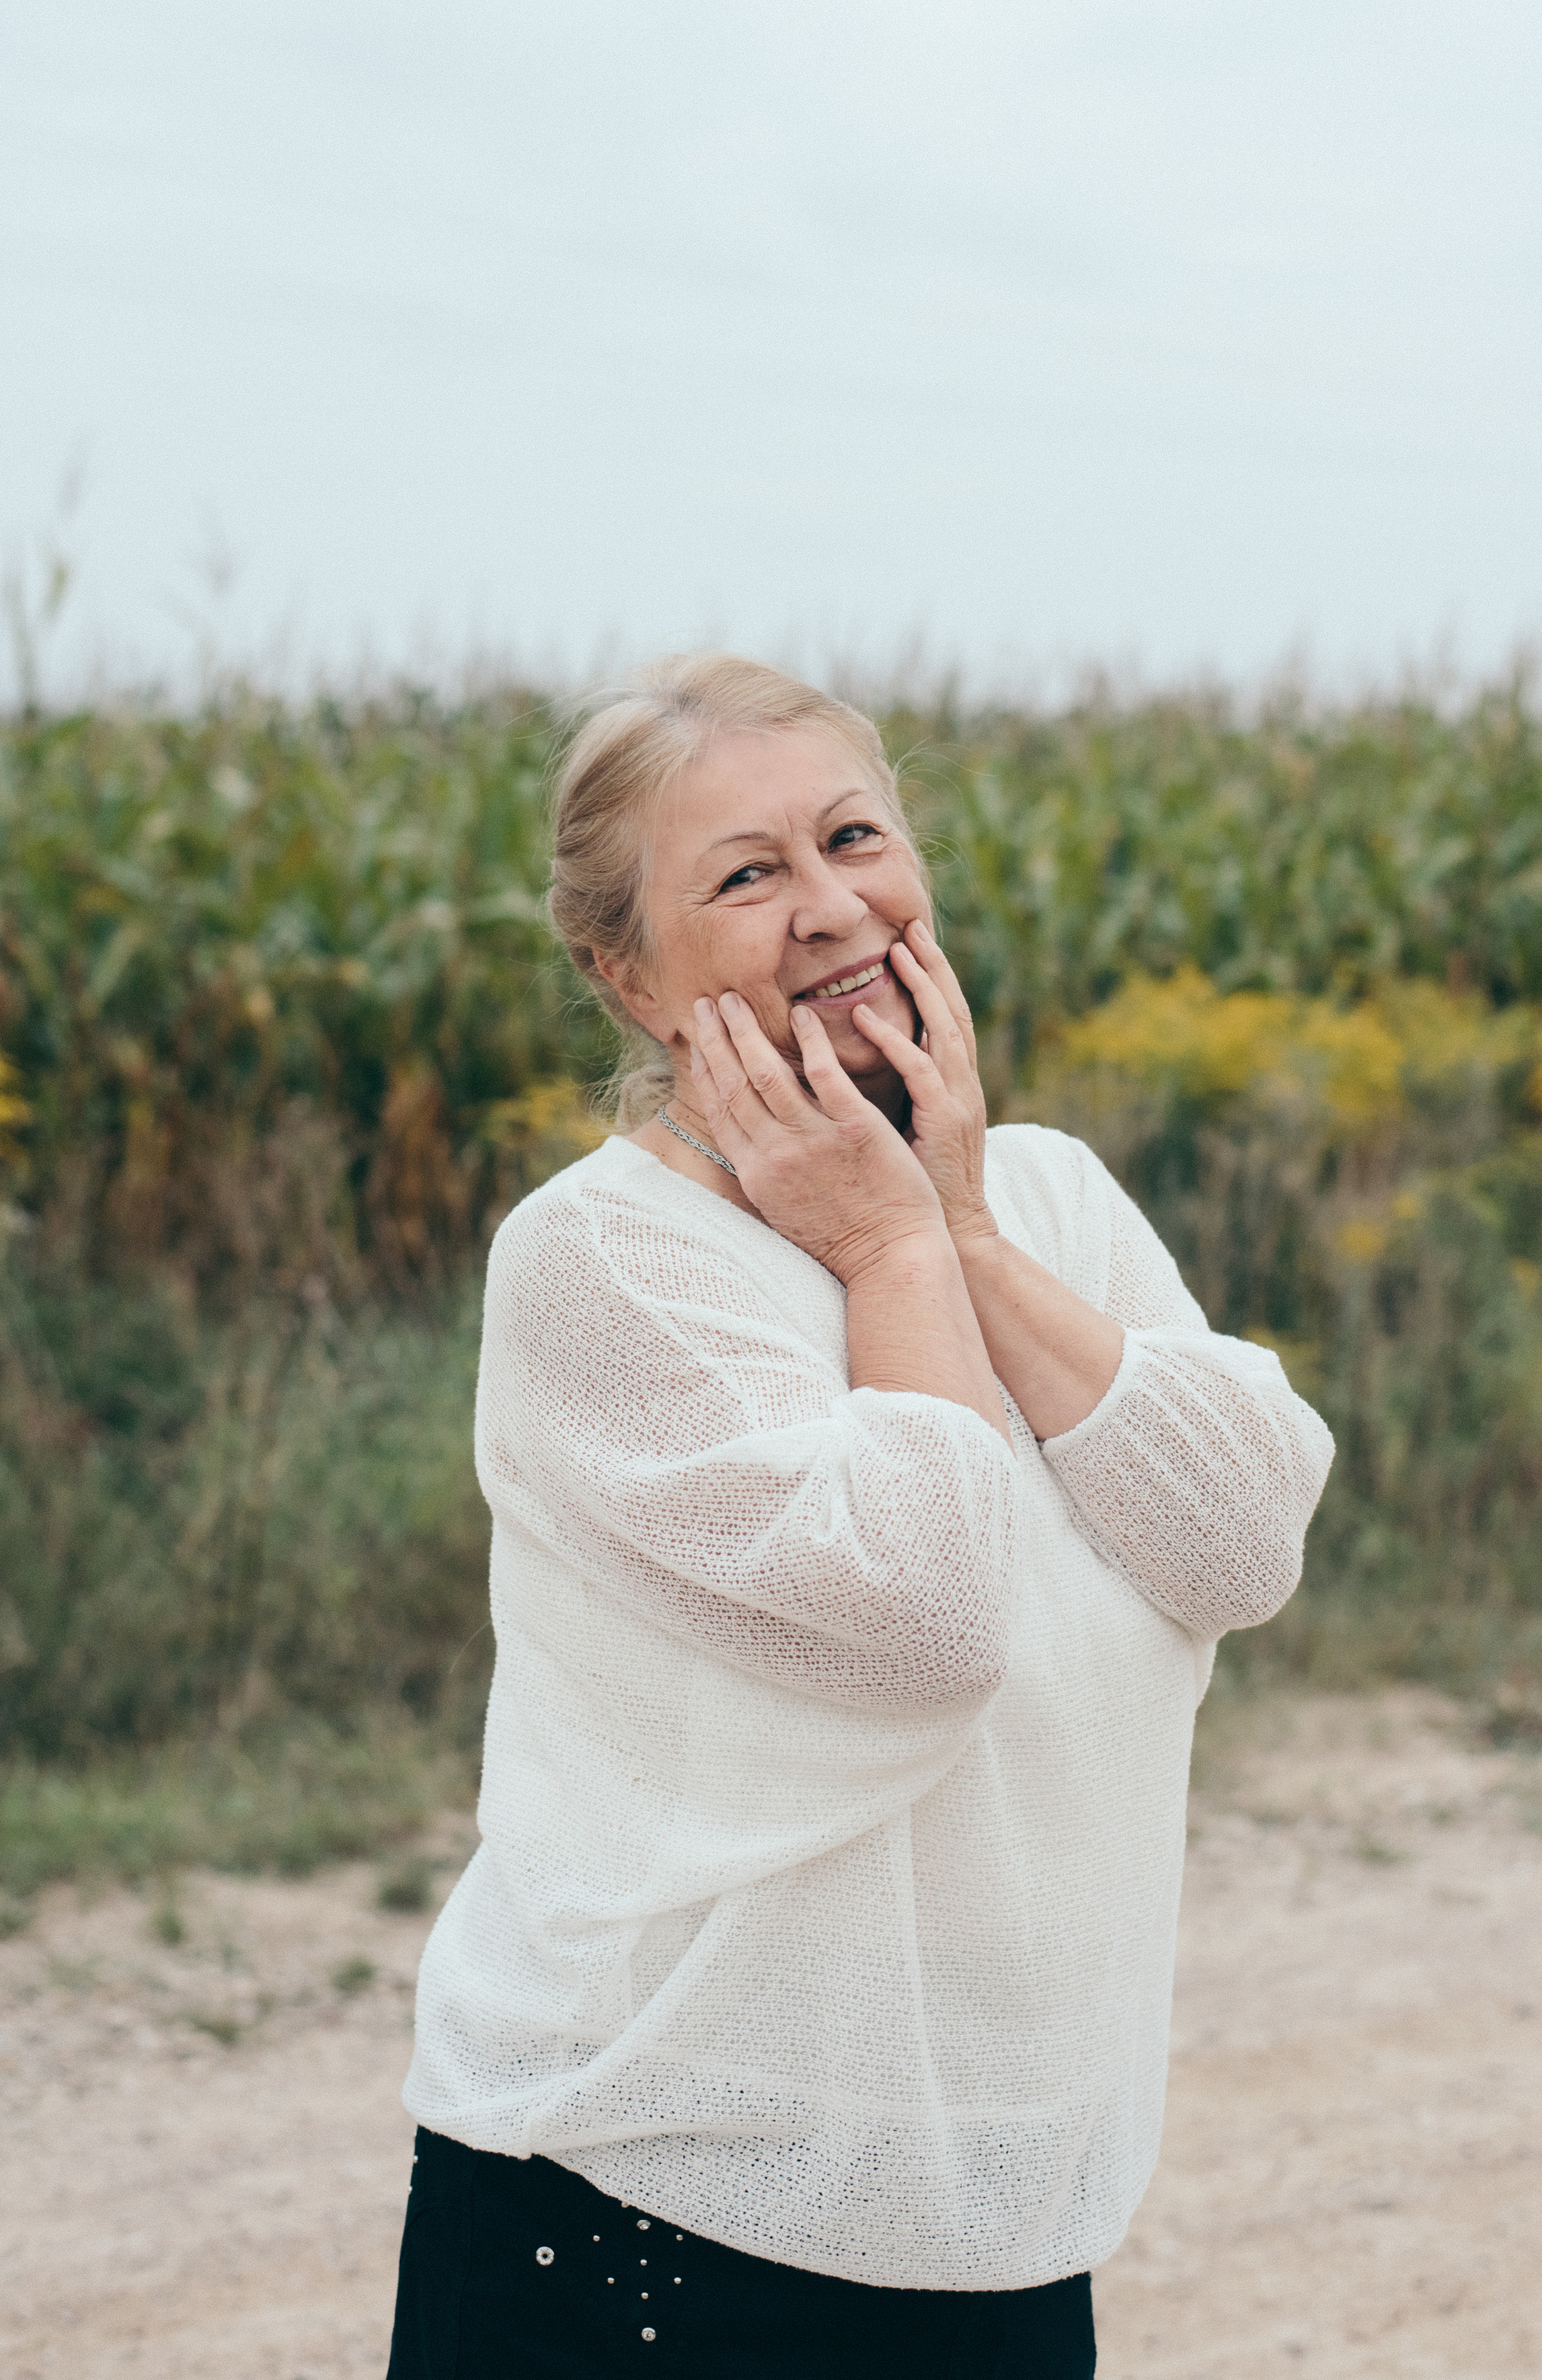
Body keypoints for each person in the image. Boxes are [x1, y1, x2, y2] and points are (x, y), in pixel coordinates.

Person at [387, 656, 1333, 2379]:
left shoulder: (1043, 1192)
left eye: (851, 838)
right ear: (624, 969)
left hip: (983, 2206)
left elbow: (1242, 1538)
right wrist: (891, 1251)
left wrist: (959, 1225)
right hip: (645, 2202)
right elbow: (926, 1620)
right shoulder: (604, 1264)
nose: (828, 909)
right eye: (744, 876)